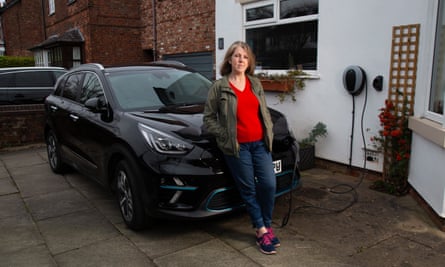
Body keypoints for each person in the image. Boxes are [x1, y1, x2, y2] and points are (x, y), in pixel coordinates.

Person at [203, 41, 279, 255]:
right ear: (229, 59)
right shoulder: (219, 87)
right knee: (249, 190)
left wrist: (269, 132)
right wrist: (225, 135)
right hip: (238, 148)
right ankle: (261, 230)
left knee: (269, 185)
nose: (240, 60)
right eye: (236, 56)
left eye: (244, 57)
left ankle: (267, 224)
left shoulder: (255, 83)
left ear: (249, 61)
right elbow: (208, 118)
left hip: (260, 145)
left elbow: (263, 112)